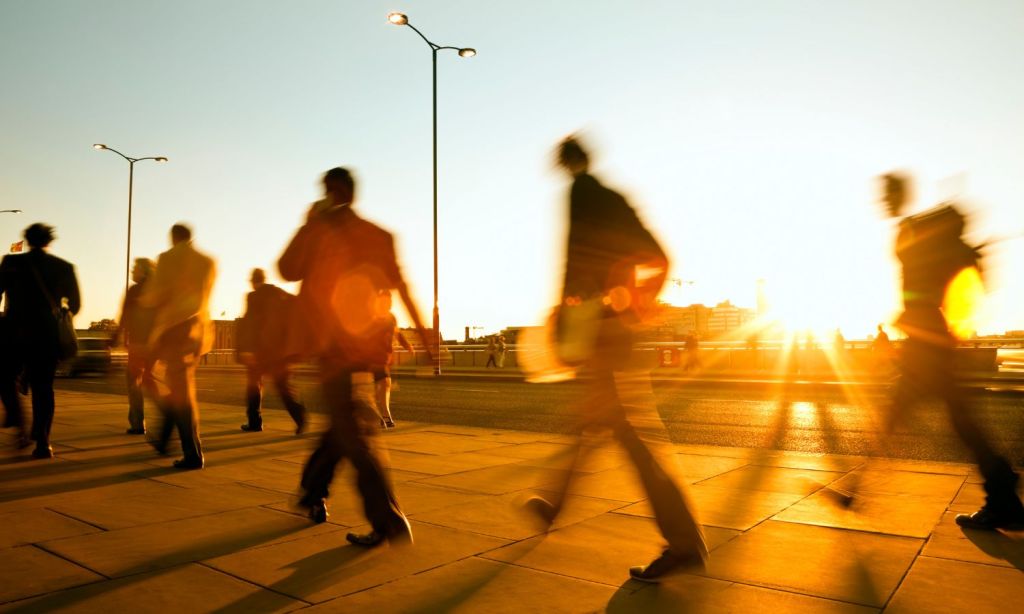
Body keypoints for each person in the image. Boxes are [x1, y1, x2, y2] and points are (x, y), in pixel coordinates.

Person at [526, 137, 707, 582]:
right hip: (613, 325)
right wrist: (638, 303)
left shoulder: (582, 194)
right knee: (595, 421)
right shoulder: (615, 199)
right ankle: (554, 506)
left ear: (569, 163)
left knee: (626, 432)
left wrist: (566, 314)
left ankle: (684, 543)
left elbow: (575, 263)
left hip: (599, 326)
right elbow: (659, 256)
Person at [279, 166, 431, 547]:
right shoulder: (379, 235)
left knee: (350, 430)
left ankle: (386, 518)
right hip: (366, 347)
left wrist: (308, 222)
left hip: (332, 346)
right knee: (344, 425)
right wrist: (425, 335)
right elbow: (403, 285)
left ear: (329, 193)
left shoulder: (319, 232)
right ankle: (312, 491)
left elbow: (287, 269)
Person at [878, 172, 1024, 529]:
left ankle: (1003, 493)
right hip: (934, 340)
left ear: (898, 195)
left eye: (886, 194)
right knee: (961, 421)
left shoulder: (911, 232)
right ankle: (1003, 493)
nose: (882, 201)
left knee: (903, 413)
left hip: (925, 343)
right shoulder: (929, 235)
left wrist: (910, 315)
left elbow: (919, 289)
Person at [0, 223, 80, 458]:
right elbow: (75, 304)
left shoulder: (11, 263)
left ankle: (18, 421)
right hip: (47, 336)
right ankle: (43, 442)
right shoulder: (64, 267)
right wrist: (61, 311)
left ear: (27, 239)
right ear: (49, 240)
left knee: (4, 377)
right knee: (43, 388)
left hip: (14, 333)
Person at [141, 223, 216, 470]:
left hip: (174, 331)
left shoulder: (167, 258)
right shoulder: (207, 261)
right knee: (180, 388)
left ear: (173, 238)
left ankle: (193, 454)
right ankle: (166, 440)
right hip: (197, 333)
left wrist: (145, 300)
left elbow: (156, 294)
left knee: (180, 394)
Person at [236, 268, 306, 434]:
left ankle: (255, 422)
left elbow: (250, 324)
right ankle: (299, 415)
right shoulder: (278, 292)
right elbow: (296, 303)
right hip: (279, 352)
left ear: (253, 281)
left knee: (253, 386)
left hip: (259, 351)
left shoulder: (253, 297)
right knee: (283, 387)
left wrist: (246, 349)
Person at [115, 258, 157, 434]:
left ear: (144, 271)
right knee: (154, 382)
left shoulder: (134, 290)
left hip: (138, 344)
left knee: (134, 383)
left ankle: (137, 423)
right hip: (155, 344)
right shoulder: (157, 290)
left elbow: (125, 316)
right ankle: (171, 415)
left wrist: (115, 337)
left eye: (135, 268)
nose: (132, 271)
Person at [370, 291, 413, 429]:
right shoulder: (371, 316)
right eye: (385, 301)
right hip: (371, 357)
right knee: (385, 383)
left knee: (381, 387)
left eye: (389, 302)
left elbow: (397, 333)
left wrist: (407, 345)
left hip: (385, 357)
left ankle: (379, 415)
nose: (388, 304)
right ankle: (386, 416)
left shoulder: (391, 317)